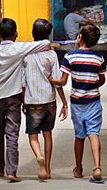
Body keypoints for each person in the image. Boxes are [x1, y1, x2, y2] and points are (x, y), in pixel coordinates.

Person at [0, 18, 51, 183]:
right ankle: (11, 171)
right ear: (15, 34)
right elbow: (45, 44)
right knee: (12, 135)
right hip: (13, 98)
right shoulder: (20, 49)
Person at [49, 24, 106, 184]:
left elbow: (62, 80)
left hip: (77, 103)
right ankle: (97, 168)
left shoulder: (70, 56)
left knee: (79, 136)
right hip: (94, 101)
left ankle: (79, 168)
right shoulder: (98, 58)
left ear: (79, 37)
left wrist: (50, 79)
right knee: (93, 134)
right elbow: (102, 79)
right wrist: (91, 86)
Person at [22, 19, 68, 180]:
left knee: (33, 135)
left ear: (33, 34)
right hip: (49, 101)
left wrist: (23, 101)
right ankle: (47, 168)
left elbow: (23, 82)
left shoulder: (26, 55)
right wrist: (64, 103)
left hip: (32, 101)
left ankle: (38, 157)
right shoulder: (52, 54)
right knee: (48, 134)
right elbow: (57, 81)